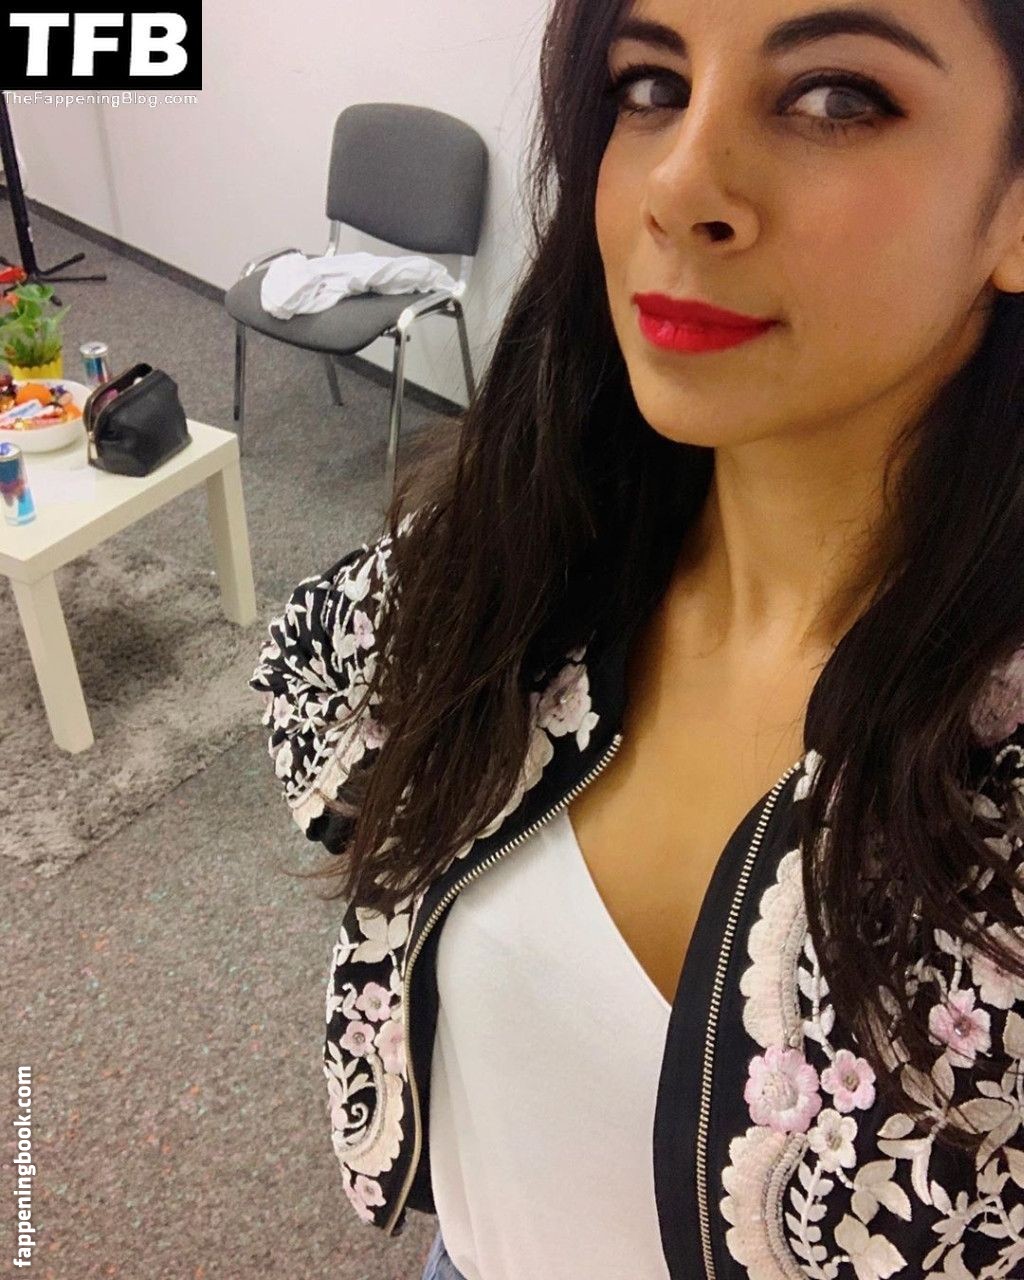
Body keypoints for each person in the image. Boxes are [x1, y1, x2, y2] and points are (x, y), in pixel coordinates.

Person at [249, 0, 1024, 1276]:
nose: (678, 188)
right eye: (651, 86)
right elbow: (313, 679)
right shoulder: (523, 557)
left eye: (835, 98)